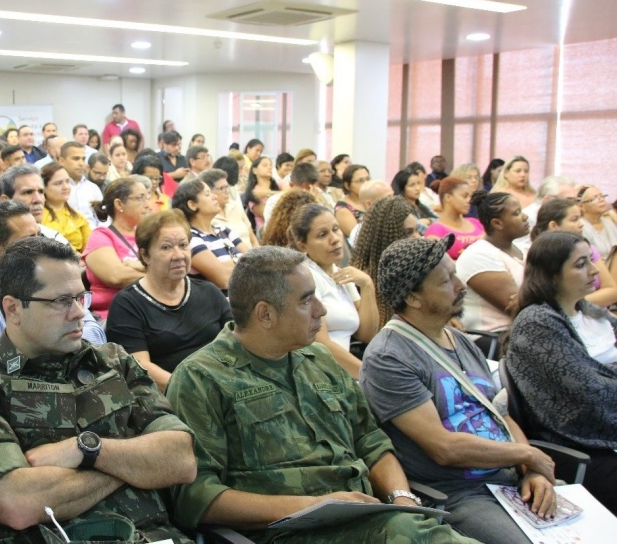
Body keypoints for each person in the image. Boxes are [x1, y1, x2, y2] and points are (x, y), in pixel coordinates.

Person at [166, 247, 475, 544]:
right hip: (288, 532)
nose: (321, 310)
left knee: (415, 530)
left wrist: (401, 497)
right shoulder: (202, 378)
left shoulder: (319, 360)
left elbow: (371, 441)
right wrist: (313, 506)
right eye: (306, 300)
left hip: (375, 519)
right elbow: (198, 497)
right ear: (265, 315)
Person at [0, 236, 196, 543]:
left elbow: (181, 459)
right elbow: (18, 502)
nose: (78, 313)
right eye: (60, 301)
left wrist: (87, 449)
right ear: (13, 308)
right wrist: (136, 464)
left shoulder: (112, 361)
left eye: (80, 298)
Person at [361, 235, 556, 543]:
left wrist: (530, 470)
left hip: (510, 480)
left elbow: (500, 415)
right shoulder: (389, 357)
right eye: (445, 281)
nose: (460, 285)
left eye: (455, 274)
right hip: (461, 494)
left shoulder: (461, 341)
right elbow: (444, 448)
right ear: (413, 298)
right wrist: (526, 453)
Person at [506, 230, 617, 513]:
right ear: (552, 276)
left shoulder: (590, 311)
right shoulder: (537, 324)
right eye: (580, 265)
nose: (594, 270)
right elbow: (590, 394)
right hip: (586, 447)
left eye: (590, 260)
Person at [0, 201, 105, 366]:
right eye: (28, 241)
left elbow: (96, 338)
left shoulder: (53, 281)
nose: (39, 245)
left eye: (38, 236)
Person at [107, 210, 231, 391]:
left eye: (183, 245)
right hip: (172, 397)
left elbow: (238, 340)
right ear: (145, 255)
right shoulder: (127, 304)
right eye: (166, 247)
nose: (179, 255)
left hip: (223, 387)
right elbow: (140, 367)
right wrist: (197, 391)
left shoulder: (209, 291)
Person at [292, 204, 378, 378]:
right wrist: (370, 376)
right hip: (322, 373)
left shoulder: (340, 274)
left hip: (347, 368)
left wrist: (368, 285)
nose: (335, 239)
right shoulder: (306, 277)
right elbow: (321, 345)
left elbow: (367, 334)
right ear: (303, 246)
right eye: (322, 235)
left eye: (336, 229)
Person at [0, 164, 71, 272]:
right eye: (28, 192)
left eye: (40, 192)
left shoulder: (55, 238)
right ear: (6, 200)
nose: (38, 199)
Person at [455, 191, 529, 332]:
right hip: (494, 338)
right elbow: (519, 308)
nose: (525, 217)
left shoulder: (523, 249)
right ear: (497, 223)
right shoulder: (478, 255)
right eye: (517, 213)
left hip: (523, 333)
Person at [529, 198, 617, 308]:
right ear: (553, 226)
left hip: (597, 316)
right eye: (574, 219)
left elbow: (612, 291)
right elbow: (553, 302)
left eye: (580, 218)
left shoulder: (589, 249)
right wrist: (574, 305)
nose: (581, 224)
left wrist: (576, 303)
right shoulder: (539, 256)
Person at [83, 178, 150, 319]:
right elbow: (116, 276)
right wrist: (157, 277)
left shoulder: (147, 233)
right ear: (119, 204)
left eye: (147, 198)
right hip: (113, 314)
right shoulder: (101, 236)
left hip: (148, 308)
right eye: (140, 198)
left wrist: (137, 265)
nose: (147, 205)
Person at [351, 196, 422, 326]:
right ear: (387, 238)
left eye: (417, 230)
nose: (417, 238)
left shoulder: (419, 270)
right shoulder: (362, 281)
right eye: (408, 233)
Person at [173, 179, 249, 292]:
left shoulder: (222, 230)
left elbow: (256, 260)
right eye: (207, 194)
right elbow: (223, 279)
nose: (214, 197)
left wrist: (227, 265)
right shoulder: (190, 237)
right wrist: (241, 262)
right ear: (192, 205)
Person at [424, 177, 484, 259]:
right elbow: (438, 264)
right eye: (464, 196)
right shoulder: (436, 230)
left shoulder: (476, 223)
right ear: (448, 197)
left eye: (470, 197)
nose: (469, 201)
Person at [513, 175, 576, 252]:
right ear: (548, 200)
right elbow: (520, 248)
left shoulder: (570, 216)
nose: (574, 205)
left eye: (575, 200)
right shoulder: (527, 217)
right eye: (569, 200)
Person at [201, 168, 258, 249]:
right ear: (209, 192)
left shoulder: (235, 206)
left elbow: (253, 240)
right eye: (221, 188)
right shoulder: (206, 216)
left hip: (252, 255)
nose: (227, 191)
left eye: (227, 187)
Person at [40, 162, 90, 252]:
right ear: (44, 188)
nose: (66, 187)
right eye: (58, 183)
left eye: (67, 181)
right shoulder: (39, 217)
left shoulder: (77, 217)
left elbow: (90, 248)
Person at [577, 184, 617, 259]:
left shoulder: (609, 223)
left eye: (602, 196)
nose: (601, 200)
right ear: (582, 207)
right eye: (594, 198)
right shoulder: (581, 226)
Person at [242, 156, 280, 231]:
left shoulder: (279, 185)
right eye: (265, 165)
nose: (269, 167)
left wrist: (269, 193)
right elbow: (269, 216)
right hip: (265, 230)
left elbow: (293, 193)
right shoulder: (254, 192)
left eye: (270, 165)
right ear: (255, 170)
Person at [334, 164, 370, 236]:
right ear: (347, 185)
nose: (366, 183)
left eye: (368, 179)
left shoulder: (371, 200)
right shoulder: (343, 209)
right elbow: (356, 238)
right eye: (360, 181)